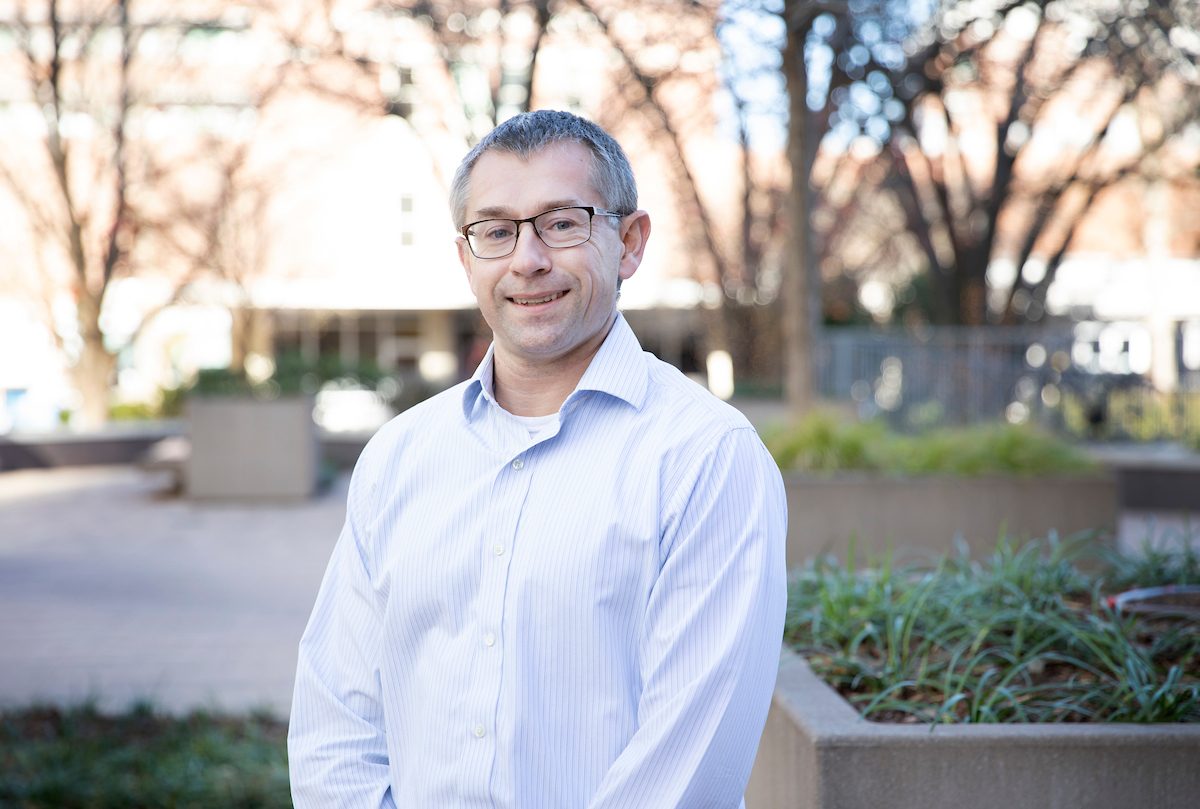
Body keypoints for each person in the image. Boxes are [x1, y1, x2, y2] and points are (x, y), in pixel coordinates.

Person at [288, 109, 787, 808]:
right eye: (496, 230)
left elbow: (686, 772)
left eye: (561, 222)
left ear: (631, 242)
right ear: (467, 259)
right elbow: (335, 721)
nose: (528, 258)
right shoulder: (399, 458)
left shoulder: (706, 459)